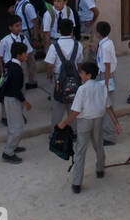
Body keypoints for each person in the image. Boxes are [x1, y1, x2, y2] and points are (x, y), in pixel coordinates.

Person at [57, 61, 121, 193]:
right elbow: (108, 107)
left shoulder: (82, 89)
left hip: (85, 122)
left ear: (88, 75)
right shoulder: (102, 87)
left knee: (80, 150)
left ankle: (77, 183)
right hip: (98, 119)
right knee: (98, 144)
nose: (80, 74)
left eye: (82, 72)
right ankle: (100, 169)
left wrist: (65, 122)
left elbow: (76, 111)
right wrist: (116, 123)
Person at [43, 17, 84, 130]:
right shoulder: (78, 45)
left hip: (58, 79)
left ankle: (55, 133)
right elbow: (80, 63)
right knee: (73, 107)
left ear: (59, 31)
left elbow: (50, 65)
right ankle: (74, 131)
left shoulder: (54, 46)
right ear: (72, 31)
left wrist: (50, 76)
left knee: (57, 108)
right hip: (75, 78)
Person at [1, 41, 32, 164]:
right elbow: (16, 89)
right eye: (25, 54)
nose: (27, 56)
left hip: (8, 99)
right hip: (13, 99)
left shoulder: (8, 64)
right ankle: (8, 152)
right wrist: (25, 102)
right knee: (17, 127)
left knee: (13, 124)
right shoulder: (17, 69)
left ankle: (14, 145)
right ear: (19, 55)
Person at [0, 16, 28, 126]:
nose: (19, 28)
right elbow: (0, 56)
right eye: (16, 26)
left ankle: (20, 113)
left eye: (20, 25)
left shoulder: (23, 38)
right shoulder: (5, 40)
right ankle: (5, 116)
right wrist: (2, 70)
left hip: (20, 66)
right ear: (10, 28)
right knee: (6, 91)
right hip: (8, 67)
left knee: (21, 90)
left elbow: (28, 52)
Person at [94, 20, 119, 144]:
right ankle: (105, 132)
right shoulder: (107, 43)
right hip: (105, 76)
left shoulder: (104, 46)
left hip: (105, 76)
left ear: (98, 33)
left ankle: (109, 136)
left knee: (107, 105)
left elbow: (107, 65)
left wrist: (106, 83)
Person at [11, 0, 41, 88]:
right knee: (22, 58)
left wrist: (35, 37)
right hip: (20, 33)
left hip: (26, 34)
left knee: (29, 58)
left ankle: (32, 81)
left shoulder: (28, 6)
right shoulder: (18, 4)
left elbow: (35, 21)